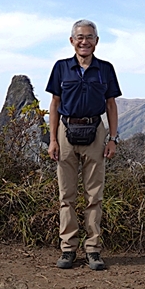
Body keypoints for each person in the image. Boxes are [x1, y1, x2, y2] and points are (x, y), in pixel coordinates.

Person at [46, 19, 122, 270]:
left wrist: (112, 139)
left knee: (94, 195)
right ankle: (68, 249)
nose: (84, 41)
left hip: (95, 131)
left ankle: (93, 250)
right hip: (66, 131)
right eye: (80, 37)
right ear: (72, 41)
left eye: (89, 37)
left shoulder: (105, 69)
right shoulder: (61, 68)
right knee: (66, 195)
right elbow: (55, 103)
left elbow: (111, 105)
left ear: (96, 41)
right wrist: (53, 139)